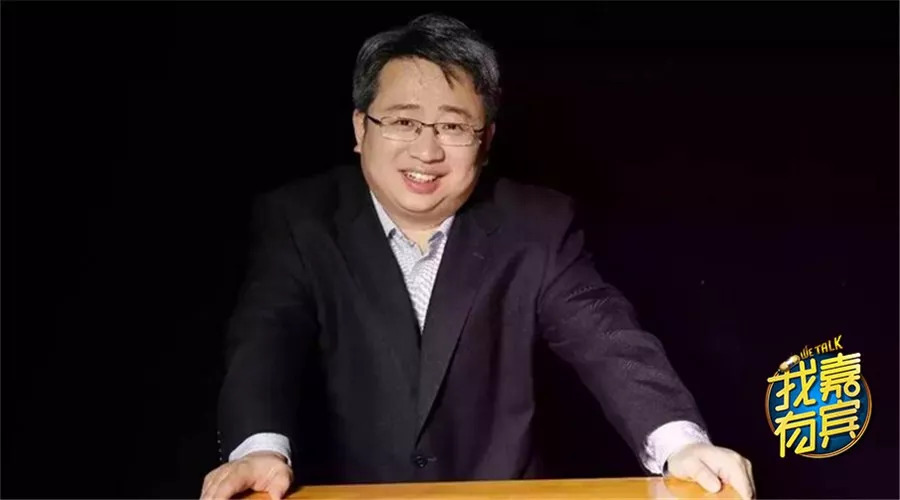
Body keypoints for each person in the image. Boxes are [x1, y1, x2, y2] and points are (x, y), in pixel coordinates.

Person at [200, 13, 755, 500]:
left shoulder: (537, 225)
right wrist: (258, 449)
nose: (426, 151)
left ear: (485, 141)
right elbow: (265, 341)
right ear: (360, 128)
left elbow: (608, 339)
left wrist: (682, 445)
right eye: (403, 121)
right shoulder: (299, 220)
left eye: (452, 126)